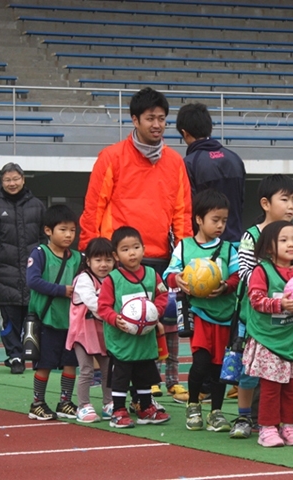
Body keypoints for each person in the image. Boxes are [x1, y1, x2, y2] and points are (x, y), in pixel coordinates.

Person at [229, 174, 293, 440]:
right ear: (266, 203)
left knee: (287, 376)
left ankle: (286, 422)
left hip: (289, 321)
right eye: (284, 199)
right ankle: (245, 417)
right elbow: (244, 272)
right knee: (250, 374)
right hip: (253, 317)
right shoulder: (251, 236)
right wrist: (273, 290)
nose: (290, 206)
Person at [79, 87, 192, 273]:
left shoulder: (175, 162)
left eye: (161, 119)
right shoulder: (111, 157)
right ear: (135, 120)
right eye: (150, 118)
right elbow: (93, 209)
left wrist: (185, 255)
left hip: (160, 260)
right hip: (116, 259)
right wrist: (90, 253)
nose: (157, 124)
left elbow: (182, 215)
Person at [163, 189, 240, 432]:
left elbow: (239, 276)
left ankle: (216, 412)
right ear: (199, 219)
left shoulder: (229, 249)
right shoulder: (184, 247)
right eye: (215, 220)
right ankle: (194, 405)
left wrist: (227, 286)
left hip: (225, 316)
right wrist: (178, 280)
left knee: (220, 366)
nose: (220, 225)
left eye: (224, 221)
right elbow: (168, 274)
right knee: (201, 363)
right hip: (199, 313)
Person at [243, 221, 293, 448]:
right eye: (283, 240)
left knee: (292, 387)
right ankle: (267, 428)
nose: (291, 244)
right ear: (268, 247)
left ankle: (289, 426)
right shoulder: (261, 271)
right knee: (271, 389)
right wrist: (279, 304)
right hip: (269, 340)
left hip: (292, 341)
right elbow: (255, 300)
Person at [97, 226, 171, 428]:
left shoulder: (152, 275)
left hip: (145, 339)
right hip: (122, 340)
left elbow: (163, 296)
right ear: (116, 255)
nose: (132, 253)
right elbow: (103, 307)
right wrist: (114, 318)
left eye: (136, 247)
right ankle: (118, 409)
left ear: (144, 249)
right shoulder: (113, 279)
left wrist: (156, 310)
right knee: (121, 375)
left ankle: (145, 407)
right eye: (125, 249)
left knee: (145, 374)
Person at [0, 162, 47, 374]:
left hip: (32, 273)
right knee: (10, 318)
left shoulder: (37, 205)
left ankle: (34, 355)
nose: (12, 183)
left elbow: (45, 234)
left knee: (33, 317)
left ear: (23, 179)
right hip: (4, 275)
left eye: (16, 179)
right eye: (7, 180)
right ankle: (15, 356)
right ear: (2, 182)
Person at [26, 205, 82, 421]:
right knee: (45, 363)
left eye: (73, 230)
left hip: (71, 322)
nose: (69, 235)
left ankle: (65, 401)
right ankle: (37, 403)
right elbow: (33, 281)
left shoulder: (78, 257)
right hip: (46, 320)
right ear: (48, 231)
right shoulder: (40, 253)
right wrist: (61, 290)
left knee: (70, 362)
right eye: (63, 229)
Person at [176, 102, 246, 244]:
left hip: (205, 247)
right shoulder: (235, 158)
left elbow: (188, 209)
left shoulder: (188, 164)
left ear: (185, 133)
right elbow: (242, 201)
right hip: (236, 244)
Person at [66, 237, 115, 423]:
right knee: (86, 370)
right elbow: (94, 304)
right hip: (83, 332)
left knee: (107, 370)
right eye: (98, 260)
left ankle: (108, 403)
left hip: (104, 332)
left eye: (108, 260)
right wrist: (116, 317)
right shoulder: (83, 279)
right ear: (88, 261)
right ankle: (83, 406)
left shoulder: (113, 279)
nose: (103, 264)